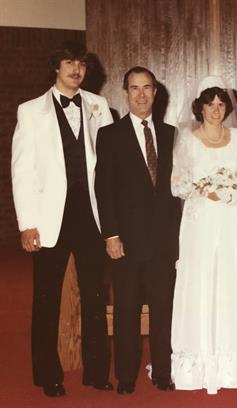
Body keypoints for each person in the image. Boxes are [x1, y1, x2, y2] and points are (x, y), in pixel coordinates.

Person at [11, 41, 113, 397]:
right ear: (56, 68)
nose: (76, 69)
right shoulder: (30, 111)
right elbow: (22, 171)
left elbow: (108, 165)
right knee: (46, 299)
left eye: (81, 63)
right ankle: (47, 375)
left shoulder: (99, 106)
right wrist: (27, 223)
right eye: (69, 63)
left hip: (91, 216)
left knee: (96, 297)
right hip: (49, 218)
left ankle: (97, 372)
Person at [170, 81, 237, 394]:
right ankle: (199, 358)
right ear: (199, 107)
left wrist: (234, 189)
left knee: (231, 278)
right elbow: (177, 183)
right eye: (209, 104)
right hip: (201, 222)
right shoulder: (188, 140)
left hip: (232, 219)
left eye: (221, 104)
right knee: (202, 280)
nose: (215, 109)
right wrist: (205, 188)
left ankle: (234, 360)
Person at [94, 66, 181, 395]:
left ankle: (163, 373)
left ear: (156, 92)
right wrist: (111, 235)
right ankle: (126, 376)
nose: (141, 95)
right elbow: (103, 190)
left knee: (163, 309)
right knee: (126, 311)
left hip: (164, 242)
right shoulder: (110, 135)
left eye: (147, 88)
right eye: (134, 88)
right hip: (126, 242)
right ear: (125, 93)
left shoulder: (172, 134)